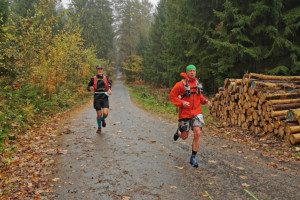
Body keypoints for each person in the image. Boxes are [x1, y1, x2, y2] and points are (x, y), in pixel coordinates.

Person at [169, 65, 210, 167]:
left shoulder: (197, 84)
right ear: (187, 73)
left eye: (194, 71)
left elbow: (199, 96)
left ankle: (193, 157)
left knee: (197, 133)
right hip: (185, 113)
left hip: (196, 112)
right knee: (184, 137)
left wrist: (205, 101)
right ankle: (178, 133)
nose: (192, 72)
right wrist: (181, 103)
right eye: (190, 71)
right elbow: (172, 96)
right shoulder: (180, 85)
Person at [87, 65, 112, 134]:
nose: (99, 70)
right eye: (98, 69)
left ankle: (103, 119)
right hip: (97, 97)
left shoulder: (106, 78)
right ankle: (99, 128)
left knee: (105, 113)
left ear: (102, 70)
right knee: (99, 114)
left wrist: (109, 90)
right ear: (96, 70)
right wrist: (90, 88)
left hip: (104, 97)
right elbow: (88, 87)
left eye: (101, 69)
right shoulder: (93, 78)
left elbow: (109, 85)